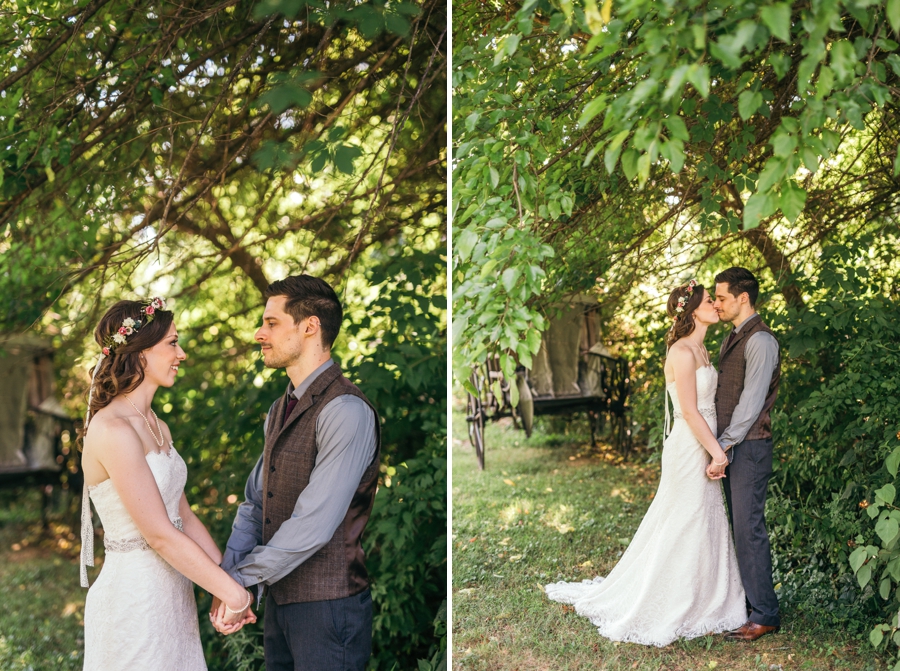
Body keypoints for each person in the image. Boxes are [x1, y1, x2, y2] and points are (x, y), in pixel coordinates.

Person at [545, 281, 746, 646]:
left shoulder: (702, 348)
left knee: (705, 518)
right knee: (686, 519)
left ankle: (708, 598)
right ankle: (671, 599)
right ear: (693, 310)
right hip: (689, 446)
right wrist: (717, 452)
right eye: (709, 302)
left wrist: (718, 446)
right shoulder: (682, 352)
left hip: (706, 440)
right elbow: (687, 410)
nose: (716, 306)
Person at [213, 275, 380, 671]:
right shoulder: (279, 409)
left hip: (329, 610)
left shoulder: (346, 410)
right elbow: (256, 503)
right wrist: (226, 580)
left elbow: (314, 524)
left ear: (309, 326)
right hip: (281, 605)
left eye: (271, 323)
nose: (259, 333)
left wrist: (243, 581)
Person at [80, 298, 255, 671]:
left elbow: (183, 516)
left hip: (173, 594)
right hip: (135, 600)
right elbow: (158, 533)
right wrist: (232, 595)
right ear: (141, 353)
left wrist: (222, 582)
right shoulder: (112, 429)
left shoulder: (158, 426)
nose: (183, 353)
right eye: (173, 343)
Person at [710, 267, 781, 641]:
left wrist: (723, 445)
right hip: (734, 445)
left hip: (749, 446)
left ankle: (765, 614)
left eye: (721, 297)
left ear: (743, 298)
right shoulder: (734, 337)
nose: (716, 303)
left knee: (749, 530)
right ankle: (750, 604)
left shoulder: (761, 341)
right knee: (738, 528)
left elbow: (751, 403)